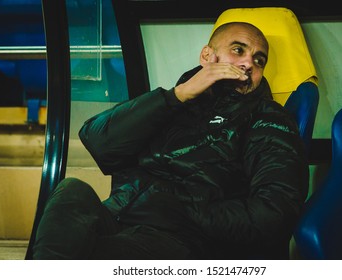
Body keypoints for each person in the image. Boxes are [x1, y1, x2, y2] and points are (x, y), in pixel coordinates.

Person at [32, 21, 309, 260]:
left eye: (259, 61)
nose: (248, 64)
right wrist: (178, 96)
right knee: (71, 193)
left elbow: (276, 210)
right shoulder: (173, 102)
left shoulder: (268, 118)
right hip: (120, 215)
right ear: (207, 56)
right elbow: (99, 142)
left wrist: (182, 211)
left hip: (183, 240)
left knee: (91, 256)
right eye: (238, 50)